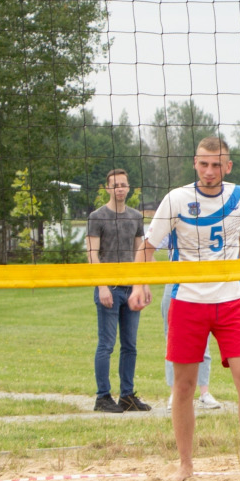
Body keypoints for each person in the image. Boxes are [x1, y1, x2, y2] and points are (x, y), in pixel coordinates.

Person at [141, 136, 240, 480]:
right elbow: (147, 246)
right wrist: (140, 285)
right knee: (183, 386)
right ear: (195, 163)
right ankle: (185, 465)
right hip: (187, 300)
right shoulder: (176, 199)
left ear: (228, 166)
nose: (209, 171)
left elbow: (239, 242)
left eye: (216, 164)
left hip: (230, 300)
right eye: (203, 164)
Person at [87, 169, 151, 413]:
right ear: (107, 188)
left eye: (124, 184)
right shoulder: (97, 216)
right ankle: (103, 396)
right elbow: (92, 254)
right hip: (109, 288)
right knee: (106, 344)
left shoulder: (135, 217)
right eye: (115, 185)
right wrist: (102, 285)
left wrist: (142, 285)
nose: (120, 189)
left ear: (129, 187)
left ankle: (127, 396)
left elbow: (141, 254)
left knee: (130, 345)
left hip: (130, 288)